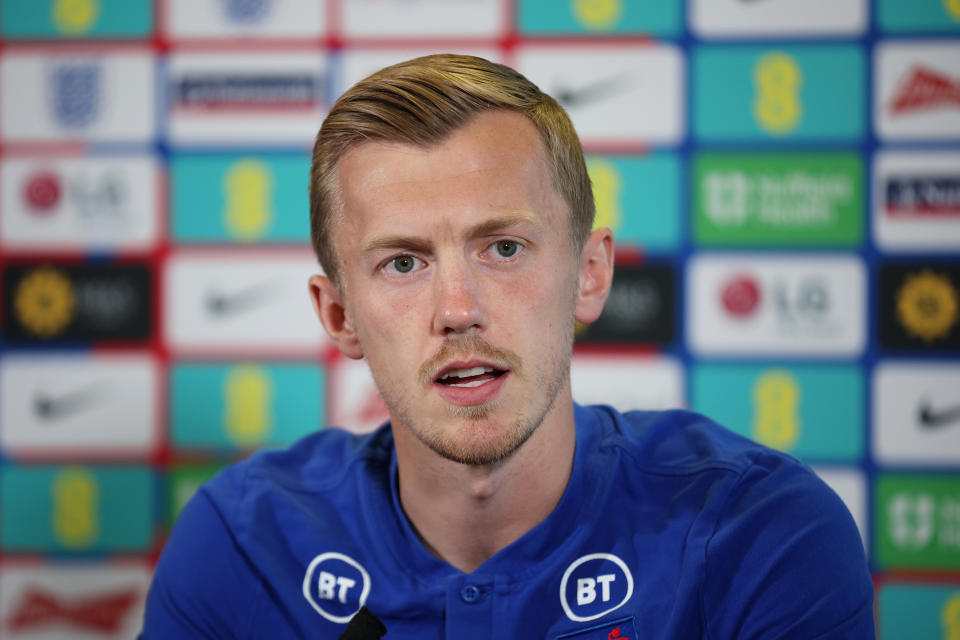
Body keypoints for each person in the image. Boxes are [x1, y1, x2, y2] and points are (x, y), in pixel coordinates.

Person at [141, 54, 875, 639]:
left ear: (590, 276)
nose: (459, 310)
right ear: (340, 316)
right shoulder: (239, 547)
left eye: (504, 247)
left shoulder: (764, 532)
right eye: (403, 263)